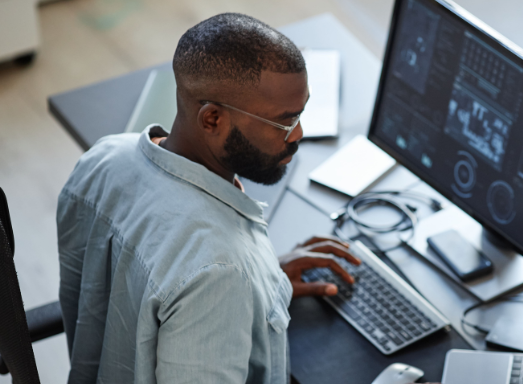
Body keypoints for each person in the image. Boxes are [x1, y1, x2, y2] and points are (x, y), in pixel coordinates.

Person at [57, 13, 357, 384]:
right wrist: (232, 290)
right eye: (284, 121)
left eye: (301, 112)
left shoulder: (103, 158)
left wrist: (263, 285)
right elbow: (202, 273)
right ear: (212, 119)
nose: (298, 133)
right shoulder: (220, 273)